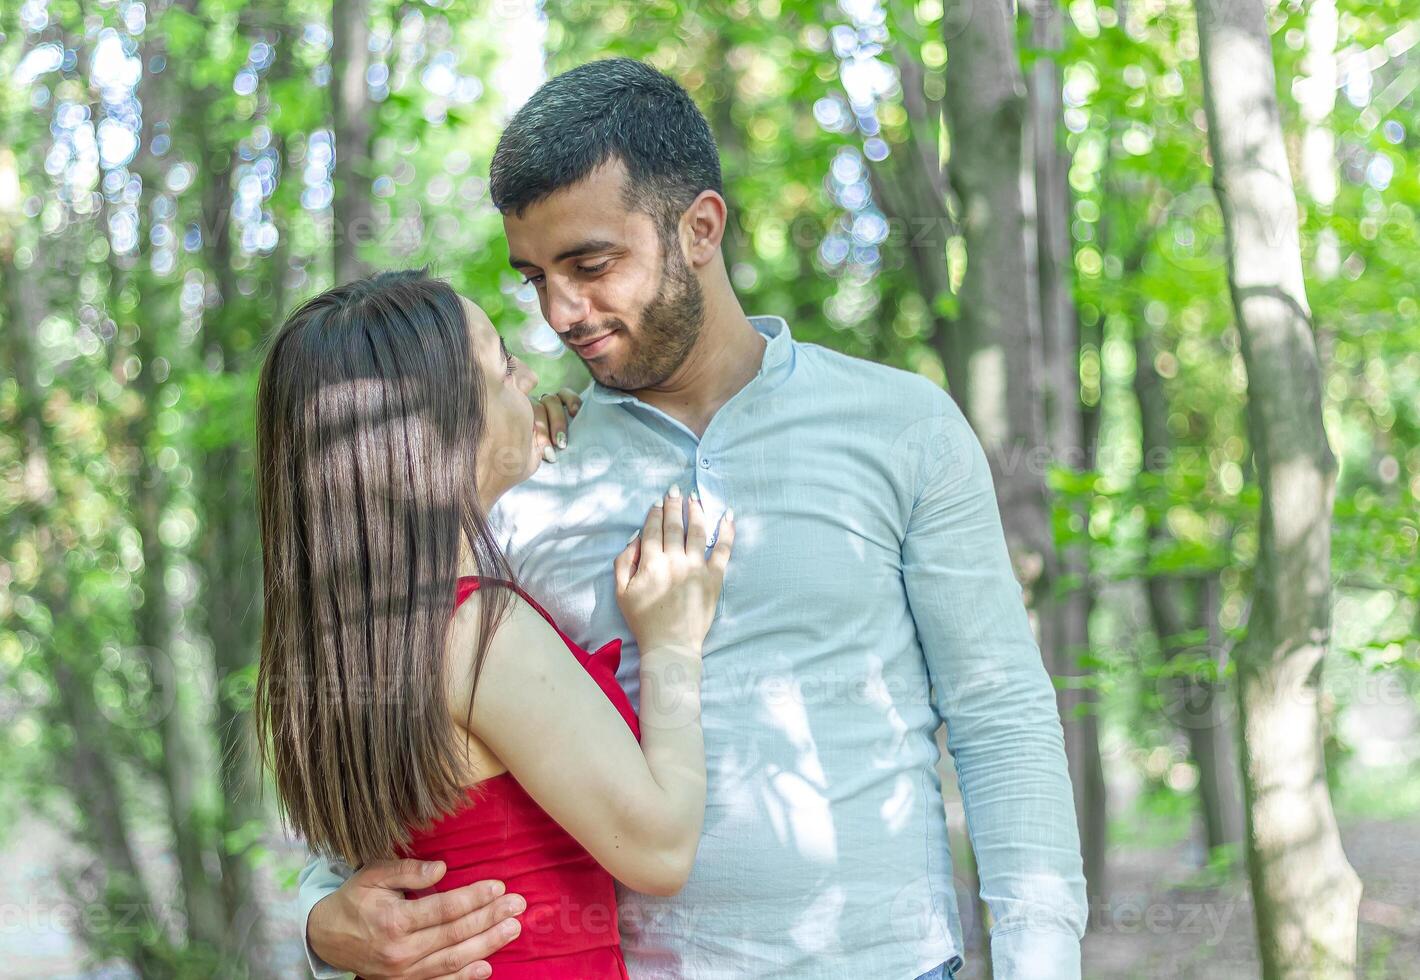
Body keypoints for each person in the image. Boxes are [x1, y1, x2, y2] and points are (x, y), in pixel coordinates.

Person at [300, 58, 1087, 980]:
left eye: (591, 266)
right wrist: (318, 918)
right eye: (534, 279)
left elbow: (1000, 716)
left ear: (700, 228)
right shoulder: (512, 471)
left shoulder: (903, 426)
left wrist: (1042, 962)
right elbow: (398, 728)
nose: (560, 313)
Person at [255, 269, 733, 979]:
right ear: (443, 423)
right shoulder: (476, 630)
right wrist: (671, 642)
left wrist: (510, 452)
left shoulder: (359, 635)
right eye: (504, 364)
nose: (531, 375)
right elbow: (660, 850)